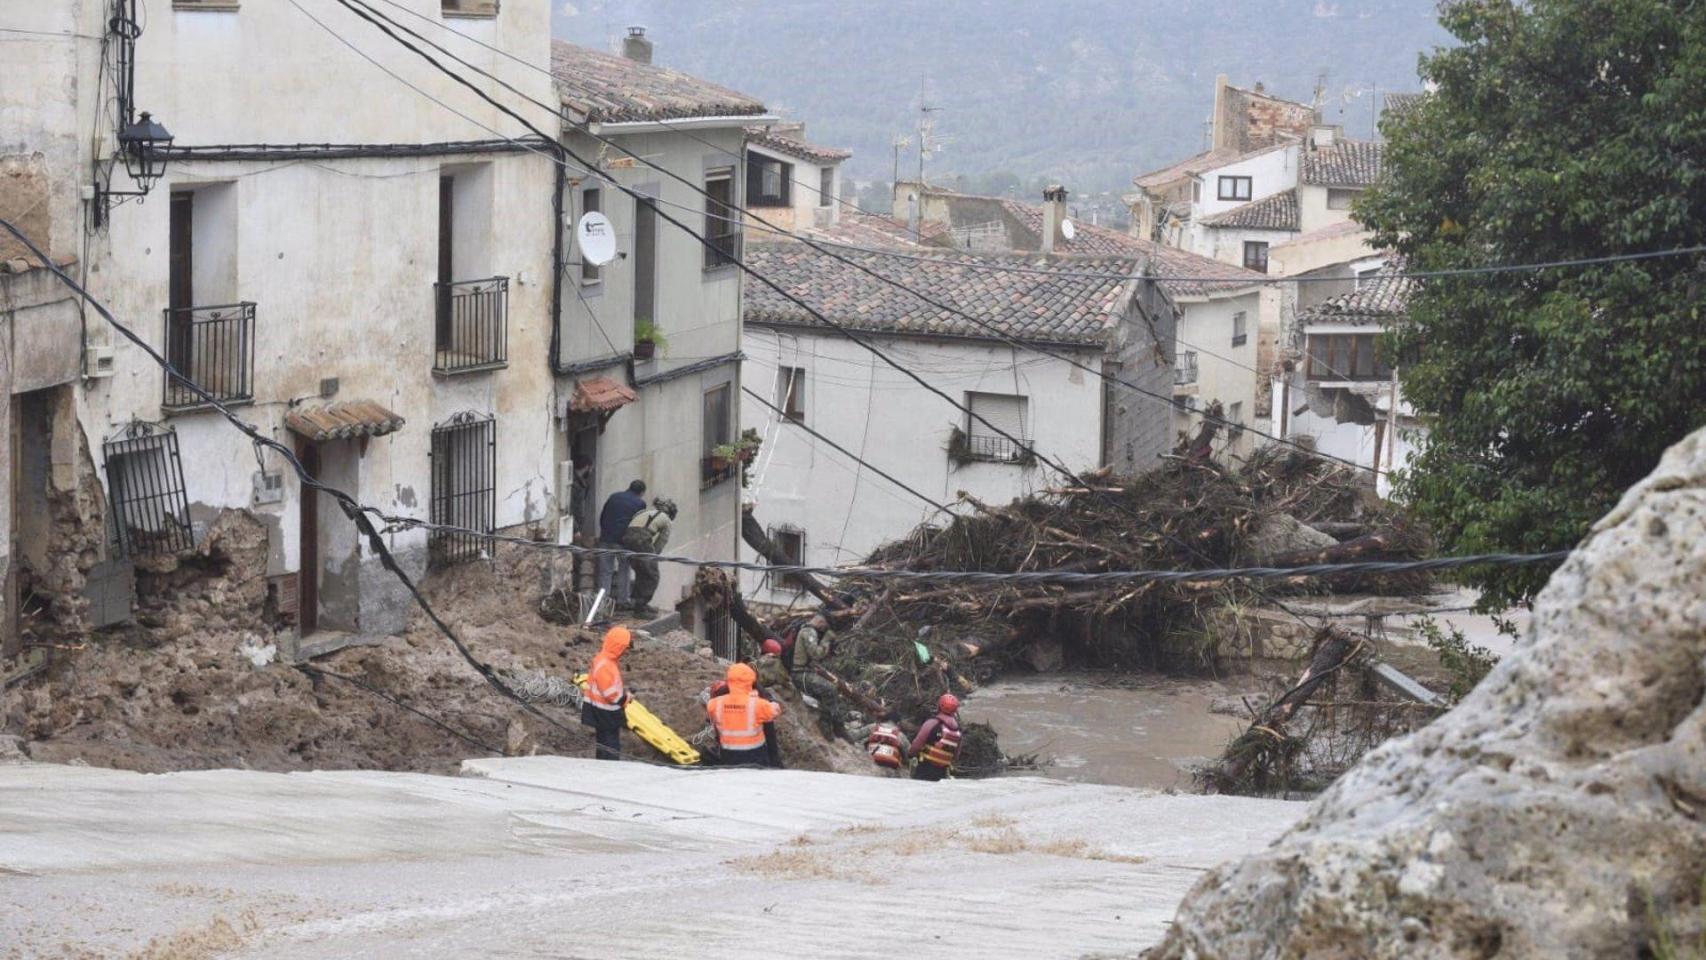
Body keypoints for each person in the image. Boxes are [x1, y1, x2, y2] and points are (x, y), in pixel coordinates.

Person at [706, 662, 783, 768]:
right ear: (751, 680)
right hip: (755, 756)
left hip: (728, 755)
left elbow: (711, 714)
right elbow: (775, 711)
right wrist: (772, 702)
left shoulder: (715, 704)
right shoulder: (758, 704)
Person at [580, 625, 631, 760]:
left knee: (602, 742)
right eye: (624, 648)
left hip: (599, 708)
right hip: (605, 711)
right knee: (610, 745)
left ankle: (602, 765)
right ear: (619, 647)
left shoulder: (602, 659)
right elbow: (610, 692)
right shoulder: (607, 665)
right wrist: (625, 698)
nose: (626, 651)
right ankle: (609, 767)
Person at [622, 497, 676, 617]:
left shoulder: (644, 512)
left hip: (627, 538)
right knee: (652, 575)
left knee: (641, 572)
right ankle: (640, 609)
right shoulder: (666, 520)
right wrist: (653, 558)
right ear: (671, 513)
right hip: (641, 538)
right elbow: (662, 540)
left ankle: (638, 603)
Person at [596, 480, 647, 610]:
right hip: (622, 542)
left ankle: (603, 602)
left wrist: (605, 532)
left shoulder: (614, 497)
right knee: (624, 569)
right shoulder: (640, 503)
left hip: (606, 538)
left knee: (605, 571)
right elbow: (639, 525)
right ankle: (622, 600)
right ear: (641, 493)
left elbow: (603, 517)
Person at [908, 693, 962, 782]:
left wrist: (910, 755)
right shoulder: (958, 731)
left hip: (925, 768)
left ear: (939, 706)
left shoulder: (932, 723)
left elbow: (916, 745)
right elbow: (956, 756)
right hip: (942, 772)